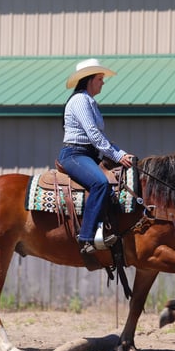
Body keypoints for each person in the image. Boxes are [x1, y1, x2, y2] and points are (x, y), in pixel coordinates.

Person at [57, 58, 136, 255]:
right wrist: (117, 156)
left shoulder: (89, 102)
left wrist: (121, 153)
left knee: (112, 188)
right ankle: (86, 238)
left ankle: (104, 232)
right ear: (89, 79)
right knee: (100, 183)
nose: (103, 82)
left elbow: (99, 137)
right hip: (75, 153)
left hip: (89, 154)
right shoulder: (80, 101)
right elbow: (93, 134)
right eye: (100, 78)